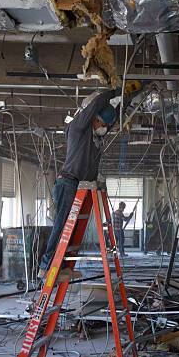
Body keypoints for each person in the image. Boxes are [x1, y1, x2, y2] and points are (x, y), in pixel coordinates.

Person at [38, 89, 121, 280]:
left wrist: (128, 98)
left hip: (80, 185)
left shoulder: (95, 135)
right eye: (102, 123)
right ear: (94, 118)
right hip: (67, 182)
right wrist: (113, 92)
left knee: (72, 230)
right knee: (61, 227)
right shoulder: (79, 128)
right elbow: (95, 105)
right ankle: (46, 267)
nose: (104, 128)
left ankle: (63, 266)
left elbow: (111, 121)